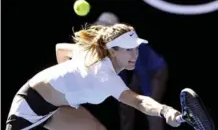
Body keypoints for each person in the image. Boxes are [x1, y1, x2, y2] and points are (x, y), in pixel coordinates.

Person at [6, 23, 181, 130]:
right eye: (128, 50)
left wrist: (67, 85)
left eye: (136, 48)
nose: (135, 55)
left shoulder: (93, 52)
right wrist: (164, 111)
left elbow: (61, 49)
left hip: (55, 107)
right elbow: (138, 101)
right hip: (27, 108)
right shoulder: (103, 75)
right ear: (113, 51)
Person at [56, 12, 168, 130]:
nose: (102, 31)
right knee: (125, 106)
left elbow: (140, 73)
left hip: (155, 71)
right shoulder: (107, 49)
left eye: (105, 27)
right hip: (136, 73)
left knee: (152, 107)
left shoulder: (127, 47)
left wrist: (146, 94)